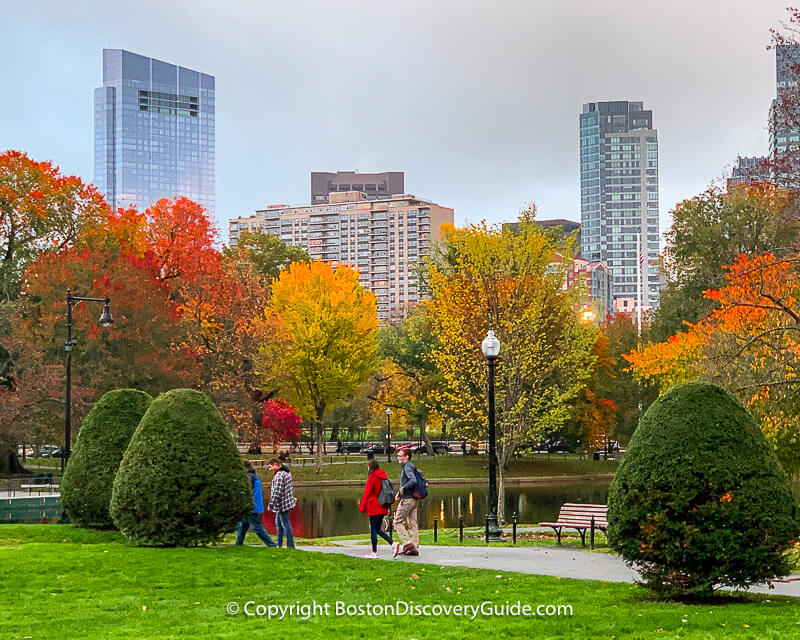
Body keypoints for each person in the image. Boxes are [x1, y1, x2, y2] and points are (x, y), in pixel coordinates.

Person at [236, 461, 277, 547]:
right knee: (243, 525)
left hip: (252, 505)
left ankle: (270, 543)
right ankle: (239, 543)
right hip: (256, 504)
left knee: (257, 527)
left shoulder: (248, 477)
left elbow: (246, 490)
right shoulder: (255, 475)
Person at [358, 459, 394, 558]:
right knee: (378, 528)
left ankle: (374, 552)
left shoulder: (372, 477)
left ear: (371, 467)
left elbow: (367, 493)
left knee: (373, 529)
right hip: (383, 505)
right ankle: (393, 544)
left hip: (374, 506)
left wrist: (362, 506)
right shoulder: (383, 477)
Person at [392, 448, 420, 557]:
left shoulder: (407, 467)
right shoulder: (410, 466)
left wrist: (403, 488)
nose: (398, 457)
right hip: (413, 499)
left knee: (396, 522)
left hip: (407, 500)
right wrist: (399, 493)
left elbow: (413, 480)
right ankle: (415, 546)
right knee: (413, 523)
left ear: (406, 457)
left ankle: (408, 544)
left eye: (400, 455)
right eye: (398, 455)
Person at [267, 457, 297, 548]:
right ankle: (279, 544)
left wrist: (271, 504)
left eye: (270, 467)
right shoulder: (287, 473)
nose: (270, 469)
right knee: (279, 524)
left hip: (282, 504)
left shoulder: (279, 475)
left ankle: (290, 545)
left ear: (276, 465)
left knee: (285, 524)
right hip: (286, 503)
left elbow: (277, 491)